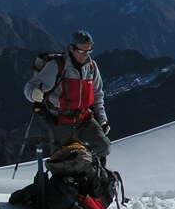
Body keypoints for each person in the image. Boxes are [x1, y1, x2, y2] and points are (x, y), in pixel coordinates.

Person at [24, 30, 111, 160]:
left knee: (103, 146)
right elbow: (31, 86)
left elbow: (97, 94)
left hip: (84, 117)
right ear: (71, 48)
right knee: (59, 157)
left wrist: (102, 120)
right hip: (61, 119)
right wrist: (33, 94)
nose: (85, 55)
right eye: (81, 51)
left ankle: (95, 175)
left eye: (88, 51)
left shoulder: (92, 67)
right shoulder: (57, 66)